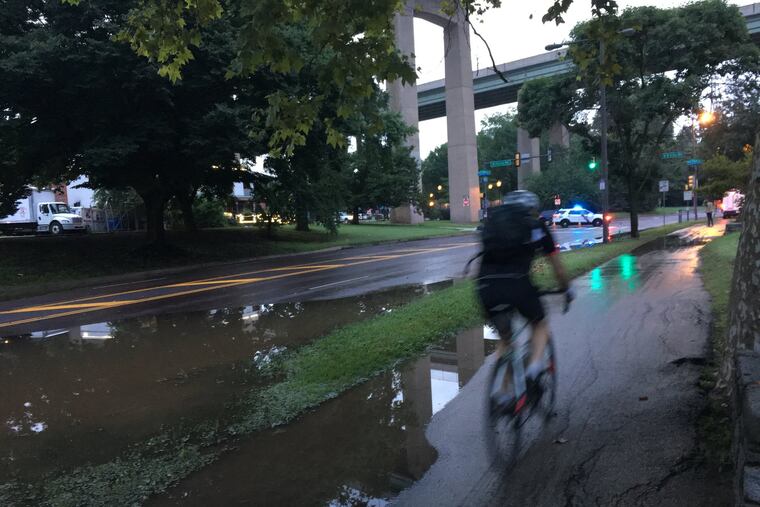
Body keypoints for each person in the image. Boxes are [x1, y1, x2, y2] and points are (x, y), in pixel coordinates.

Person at [476, 190, 572, 407]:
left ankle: (503, 391)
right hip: (518, 285)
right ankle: (534, 368)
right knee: (540, 323)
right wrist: (566, 289)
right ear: (532, 209)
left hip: (485, 287)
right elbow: (556, 265)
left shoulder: (491, 225)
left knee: (507, 340)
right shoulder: (536, 226)